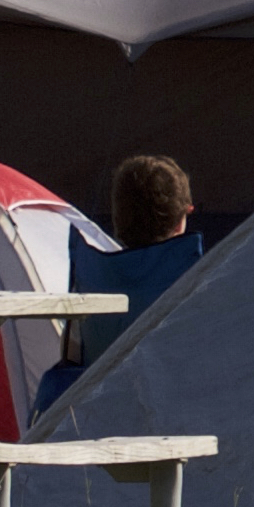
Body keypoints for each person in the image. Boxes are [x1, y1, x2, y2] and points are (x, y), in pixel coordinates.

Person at [41, 154, 208, 411]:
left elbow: (73, 363)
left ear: (119, 218)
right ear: (181, 220)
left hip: (94, 419)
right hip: (167, 418)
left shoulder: (88, 277)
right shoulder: (195, 283)